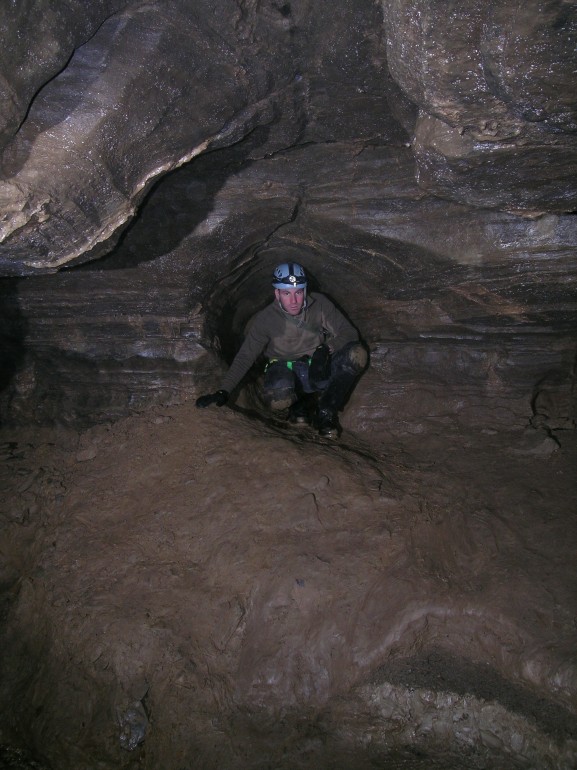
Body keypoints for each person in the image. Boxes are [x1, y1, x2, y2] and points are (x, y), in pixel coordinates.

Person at [196, 262, 367, 437]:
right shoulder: (266, 319)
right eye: (286, 293)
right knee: (280, 397)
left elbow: (349, 332)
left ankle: (326, 412)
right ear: (277, 293)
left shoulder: (320, 304)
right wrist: (224, 390)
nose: (294, 301)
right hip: (284, 368)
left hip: (316, 366)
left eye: (298, 292)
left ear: (305, 290)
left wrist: (326, 348)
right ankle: (300, 404)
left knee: (357, 354)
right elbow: (245, 356)